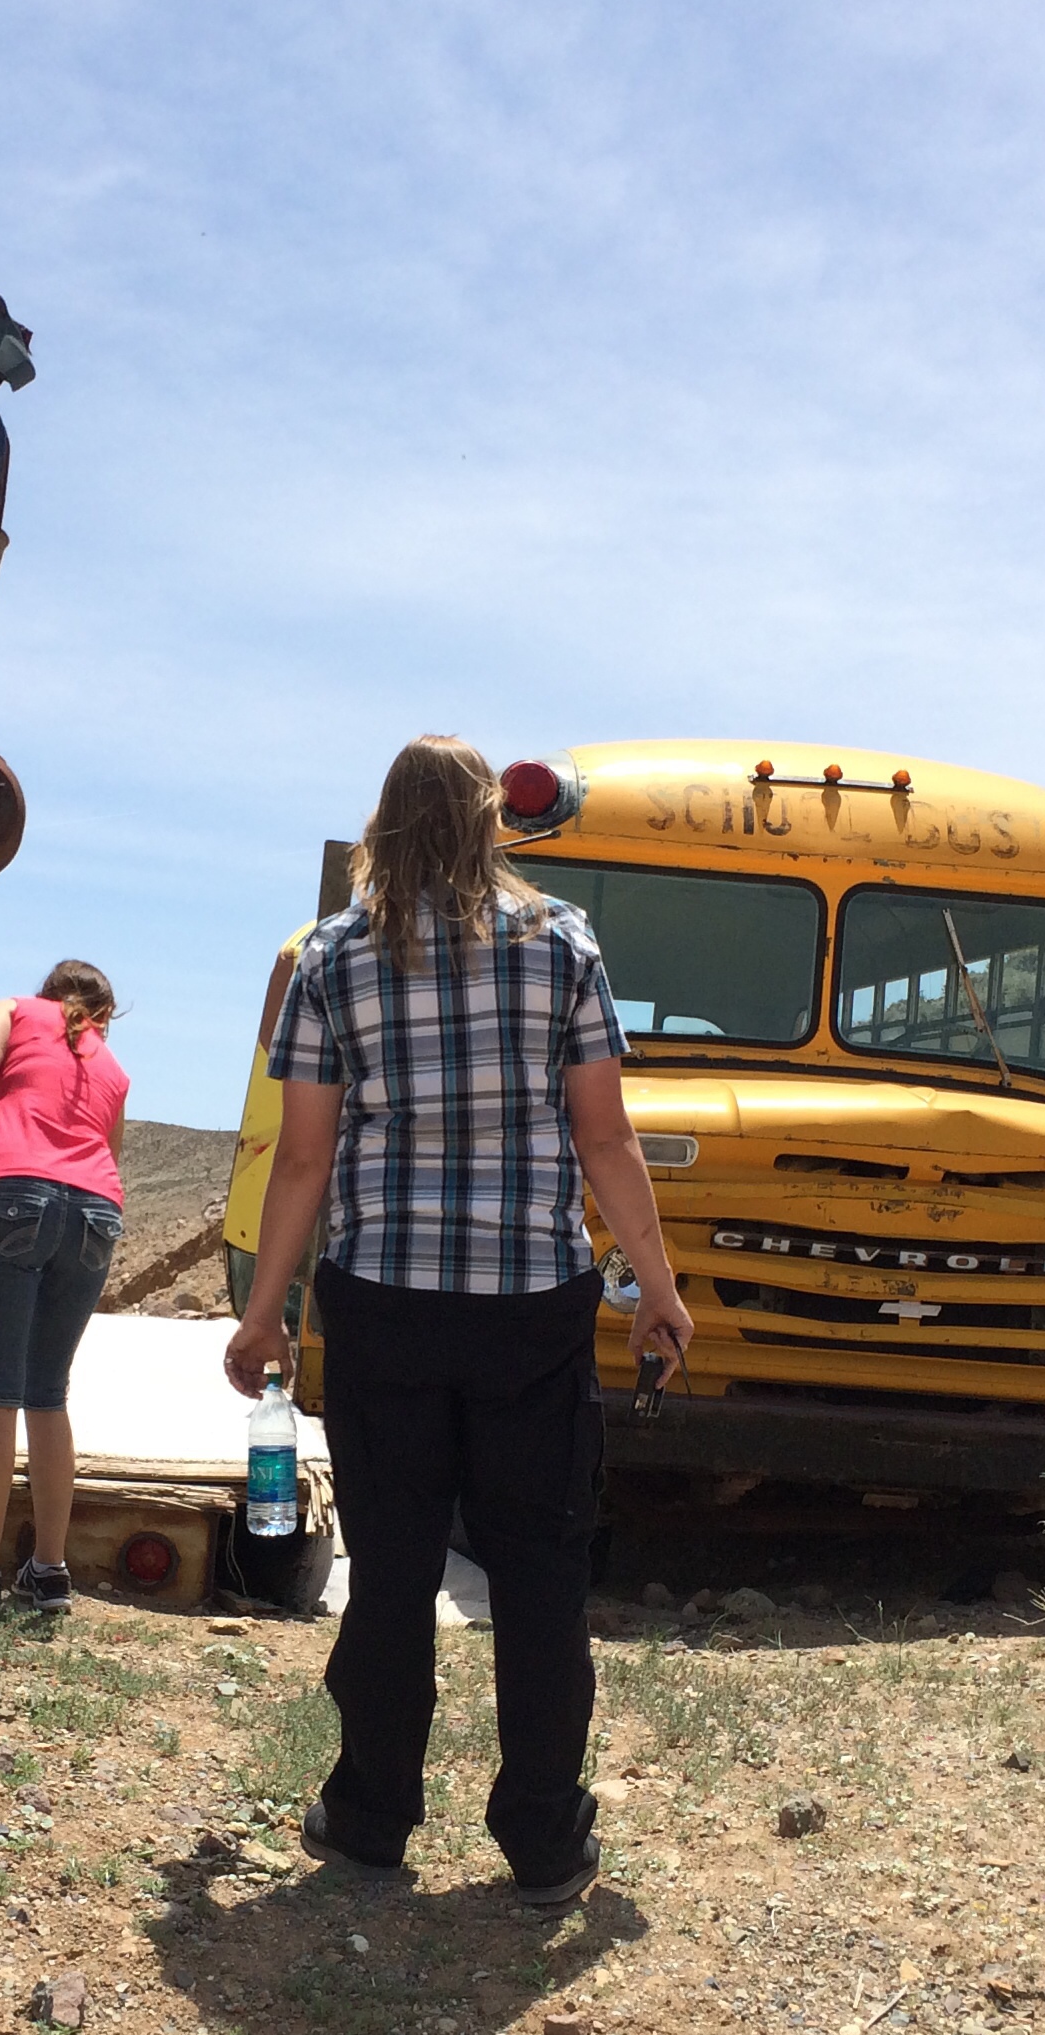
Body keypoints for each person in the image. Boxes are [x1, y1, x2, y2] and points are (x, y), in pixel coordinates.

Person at [223, 734, 695, 1908]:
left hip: (384, 1302)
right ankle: (544, 1837)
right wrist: (659, 1284)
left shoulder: (335, 955)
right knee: (538, 1569)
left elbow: (304, 1161)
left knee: (392, 1568)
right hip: (532, 1305)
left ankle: (373, 1816)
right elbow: (605, 1139)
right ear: (493, 818)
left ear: (381, 824)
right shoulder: (560, 943)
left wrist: (265, 1312)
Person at [0, 962, 128, 1615]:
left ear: (51, 994)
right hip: (97, 1212)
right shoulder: (111, 1065)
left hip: (13, 1191)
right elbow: (110, 1147)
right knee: (48, 1394)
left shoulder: (13, 1010)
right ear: (102, 1014)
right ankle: (50, 1572)